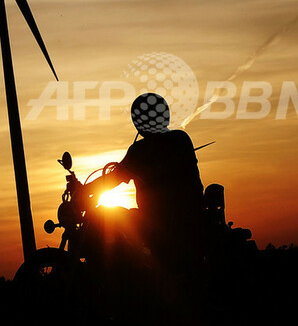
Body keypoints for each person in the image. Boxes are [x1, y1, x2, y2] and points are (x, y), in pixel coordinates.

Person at [82, 92, 206, 274]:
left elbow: (114, 178)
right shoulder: (181, 138)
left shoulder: (141, 150)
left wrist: (85, 189)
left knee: (108, 219)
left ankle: (120, 273)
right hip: (189, 217)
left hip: (162, 223)